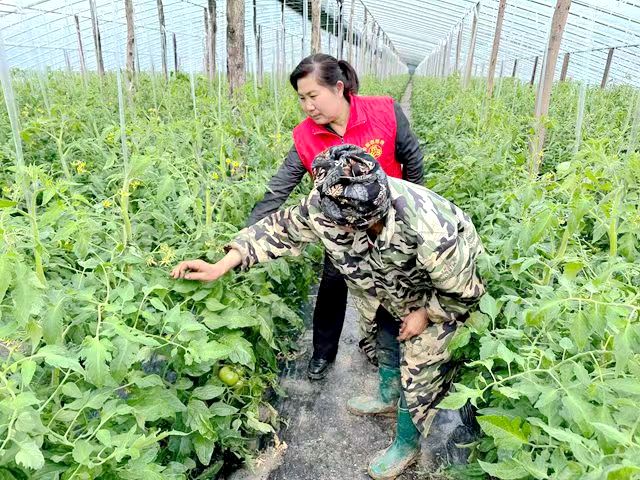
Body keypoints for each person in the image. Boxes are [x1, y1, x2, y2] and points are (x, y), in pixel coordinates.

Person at [171, 145, 485, 479]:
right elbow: (280, 228)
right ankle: (388, 397)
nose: (338, 232)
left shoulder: (430, 228)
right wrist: (222, 265)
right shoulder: (331, 201)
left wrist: (425, 313)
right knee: (384, 329)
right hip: (386, 287)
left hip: (438, 294)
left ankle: (407, 443)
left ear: (371, 216)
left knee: (420, 366)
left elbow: (464, 292)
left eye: (347, 227)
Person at [246, 53, 424, 380]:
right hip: (341, 228)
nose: (308, 106)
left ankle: (380, 347)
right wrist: (247, 235)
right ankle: (323, 353)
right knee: (332, 285)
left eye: (313, 95)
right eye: (302, 98)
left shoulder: (384, 111)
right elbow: (280, 187)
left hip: (386, 222)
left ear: (338, 88)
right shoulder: (306, 136)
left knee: (391, 286)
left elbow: (412, 158)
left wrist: (411, 212)